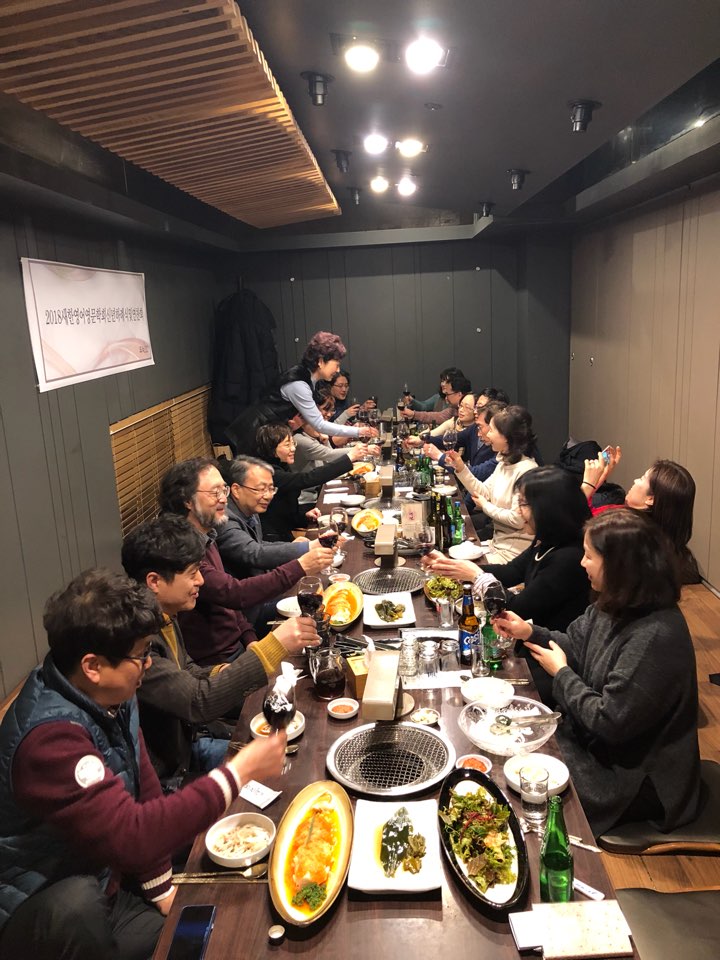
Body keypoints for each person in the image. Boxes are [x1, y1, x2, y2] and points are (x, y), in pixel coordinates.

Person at [0, 569, 286, 960]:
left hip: (108, 873)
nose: (149, 664)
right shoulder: (50, 740)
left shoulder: (106, 692)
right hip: (46, 908)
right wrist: (239, 771)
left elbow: (144, 785)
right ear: (93, 666)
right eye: (140, 655)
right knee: (80, 903)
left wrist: (160, 886)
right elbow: (132, 833)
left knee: (217, 902)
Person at [493, 509, 701, 837]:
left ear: (619, 565)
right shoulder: (615, 603)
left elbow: (609, 722)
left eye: (589, 556)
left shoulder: (655, 635)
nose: (581, 563)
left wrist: (561, 673)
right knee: (508, 746)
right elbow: (574, 644)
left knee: (523, 787)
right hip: (595, 743)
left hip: (635, 776)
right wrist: (529, 632)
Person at [121, 515, 320, 788]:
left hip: (194, 741)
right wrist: (274, 645)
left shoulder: (165, 613)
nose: (201, 580)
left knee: (300, 748)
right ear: (154, 581)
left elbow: (186, 669)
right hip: (175, 774)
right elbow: (197, 703)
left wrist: (223, 672)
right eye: (192, 573)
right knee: (288, 775)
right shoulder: (140, 642)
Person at [425, 467, 591, 701]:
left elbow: (517, 607)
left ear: (547, 509)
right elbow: (512, 571)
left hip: (553, 658)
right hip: (530, 642)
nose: (518, 510)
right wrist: (453, 566)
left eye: (523, 504)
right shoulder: (549, 540)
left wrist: (476, 576)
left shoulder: (569, 557)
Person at [159, 458, 333, 665]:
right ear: (187, 501)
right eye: (215, 492)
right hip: (217, 661)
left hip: (239, 642)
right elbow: (235, 593)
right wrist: (301, 565)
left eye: (223, 490)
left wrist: (249, 638)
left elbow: (230, 604)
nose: (224, 499)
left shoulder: (207, 535)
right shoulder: (180, 549)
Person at [583, 450, 701, 584]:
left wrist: (588, 485)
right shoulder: (662, 542)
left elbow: (571, 519)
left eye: (642, 478)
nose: (635, 480)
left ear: (650, 499)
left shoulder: (622, 528)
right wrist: (599, 480)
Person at [444, 404, 538, 562]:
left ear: (506, 437)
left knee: (457, 566)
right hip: (496, 545)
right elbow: (483, 491)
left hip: (513, 554)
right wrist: (460, 467)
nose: (488, 434)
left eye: (492, 430)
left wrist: (485, 506)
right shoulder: (504, 463)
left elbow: (517, 519)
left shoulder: (526, 470)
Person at [254, 422, 368, 542]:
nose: (293, 448)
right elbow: (307, 479)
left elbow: (284, 512)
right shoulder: (269, 473)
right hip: (272, 541)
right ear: (271, 449)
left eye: (293, 443)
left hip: (283, 534)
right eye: (287, 445)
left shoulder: (281, 466)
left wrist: (304, 517)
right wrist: (349, 458)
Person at [274, 331, 378, 441]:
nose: (338, 370)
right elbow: (319, 424)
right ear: (320, 361)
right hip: (269, 441)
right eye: (336, 365)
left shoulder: (311, 380)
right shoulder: (299, 384)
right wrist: (359, 431)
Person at [404, 371, 472, 426]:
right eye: (442, 381)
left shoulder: (470, 406)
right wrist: (413, 413)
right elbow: (438, 416)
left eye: (447, 381)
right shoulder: (452, 410)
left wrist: (413, 414)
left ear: (459, 393)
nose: (443, 384)